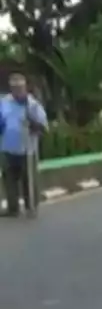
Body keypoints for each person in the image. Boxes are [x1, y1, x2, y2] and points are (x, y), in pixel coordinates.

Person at [0, 73, 48, 218]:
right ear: (11, 88)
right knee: (9, 179)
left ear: (25, 86)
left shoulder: (32, 104)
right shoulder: (4, 102)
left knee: (29, 179)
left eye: (20, 87)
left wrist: (33, 124)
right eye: (14, 87)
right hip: (8, 147)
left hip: (27, 149)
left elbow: (43, 128)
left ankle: (31, 205)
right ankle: (13, 208)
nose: (18, 90)